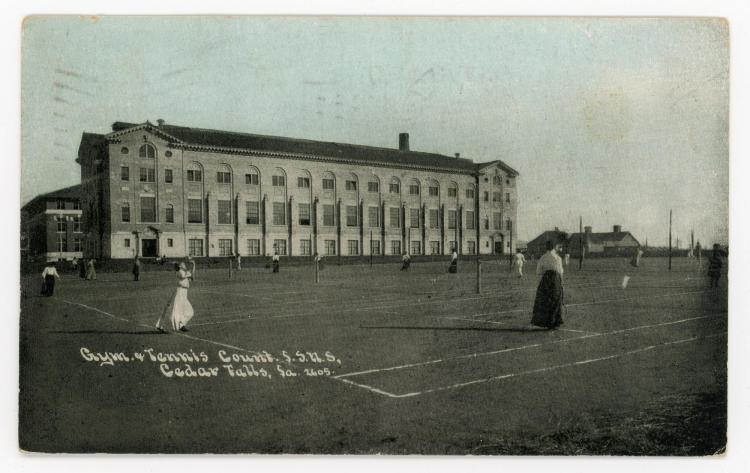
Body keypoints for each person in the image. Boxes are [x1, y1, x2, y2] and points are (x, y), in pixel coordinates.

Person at [530, 241, 565, 330]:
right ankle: (554, 322)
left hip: (546, 280)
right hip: (556, 280)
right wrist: (561, 282)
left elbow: (538, 271)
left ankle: (546, 322)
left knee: (545, 300)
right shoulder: (558, 258)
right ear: (554, 247)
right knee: (556, 300)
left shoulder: (543, 257)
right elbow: (560, 271)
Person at [156, 259, 196, 333]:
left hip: (183, 293)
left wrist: (194, 265)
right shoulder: (181, 272)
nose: (185, 265)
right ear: (181, 267)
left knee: (188, 311)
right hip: (180, 292)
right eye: (183, 265)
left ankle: (180, 324)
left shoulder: (184, 272)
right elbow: (191, 275)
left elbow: (192, 278)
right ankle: (162, 326)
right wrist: (193, 264)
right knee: (174, 311)